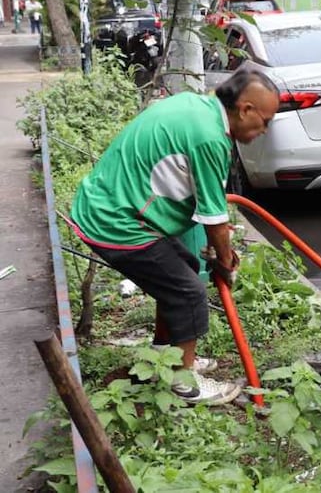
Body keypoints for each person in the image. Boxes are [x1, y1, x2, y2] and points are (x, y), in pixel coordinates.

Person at [69, 69, 281, 404]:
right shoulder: (210, 137)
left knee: (181, 265)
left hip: (110, 205)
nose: (265, 130)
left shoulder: (194, 106)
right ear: (245, 110)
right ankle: (184, 383)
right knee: (188, 291)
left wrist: (220, 252)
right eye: (265, 121)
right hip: (116, 221)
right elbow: (213, 214)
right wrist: (225, 262)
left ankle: (162, 357)